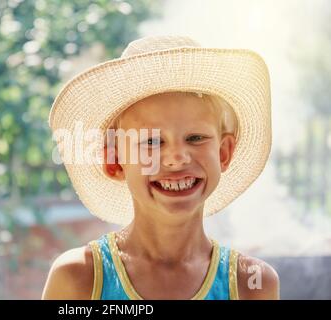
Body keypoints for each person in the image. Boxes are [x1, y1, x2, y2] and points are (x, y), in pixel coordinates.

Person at [42, 35, 280, 300]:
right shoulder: (80, 279)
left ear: (224, 153)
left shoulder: (251, 284)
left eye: (196, 138)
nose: (176, 158)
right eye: (152, 141)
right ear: (114, 160)